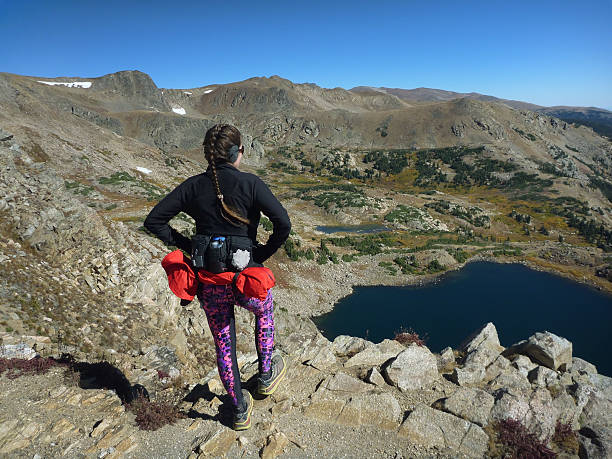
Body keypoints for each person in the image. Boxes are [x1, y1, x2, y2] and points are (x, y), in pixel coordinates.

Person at [144, 123, 291, 430]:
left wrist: (188, 247)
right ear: (238, 152)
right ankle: (266, 376)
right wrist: (259, 255)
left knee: (224, 344)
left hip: (210, 283)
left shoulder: (193, 186)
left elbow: (154, 221)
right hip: (246, 279)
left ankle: (238, 410)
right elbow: (283, 225)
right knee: (264, 312)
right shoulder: (251, 184)